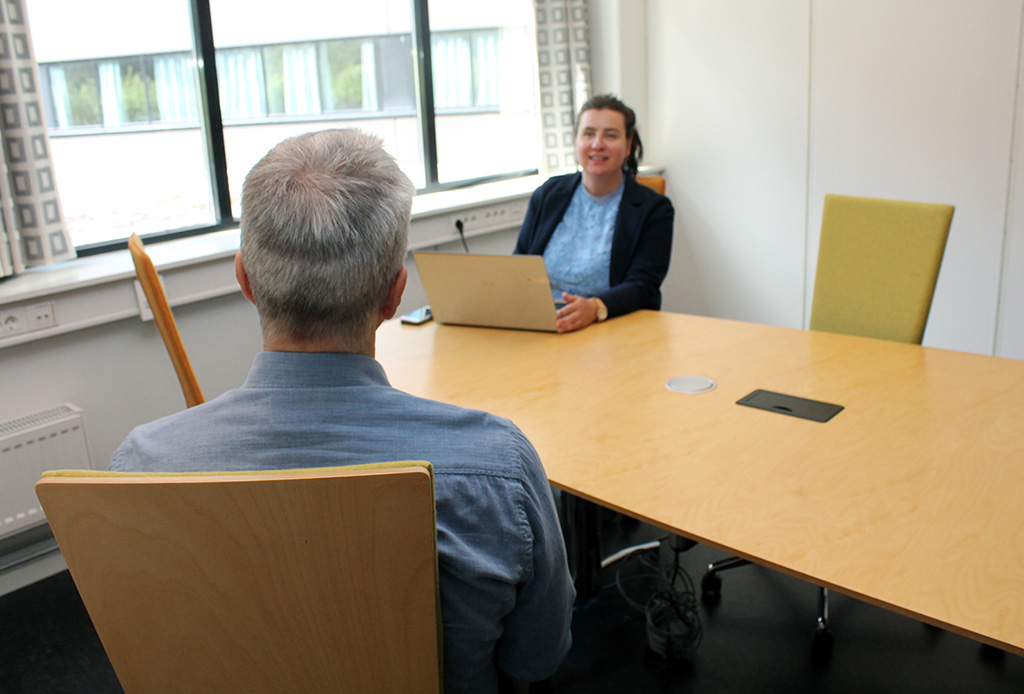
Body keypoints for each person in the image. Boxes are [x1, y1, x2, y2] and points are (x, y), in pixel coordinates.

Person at [110, 129, 575, 693]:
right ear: (394, 293)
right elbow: (537, 657)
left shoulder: (141, 466)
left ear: (245, 280)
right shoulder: (497, 467)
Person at [515, 94, 674, 333]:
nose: (597, 144)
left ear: (628, 146)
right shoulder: (548, 194)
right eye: (588, 133)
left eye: (610, 135)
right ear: (576, 141)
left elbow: (644, 285)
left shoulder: (654, 208)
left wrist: (595, 307)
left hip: (612, 326)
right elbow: (521, 262)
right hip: (542, 324)